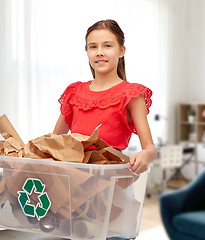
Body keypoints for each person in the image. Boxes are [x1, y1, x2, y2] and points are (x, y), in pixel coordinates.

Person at [53, 19, 157, 240]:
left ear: (122, 51)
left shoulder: (131, 94)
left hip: (113, 190)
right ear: (87, 52)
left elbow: (150, 148)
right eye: (93, 47)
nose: (99, 52)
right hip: (74, 191)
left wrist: (144, 155)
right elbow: (55, 142)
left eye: (107, 46)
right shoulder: (74, 92)